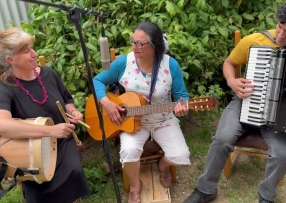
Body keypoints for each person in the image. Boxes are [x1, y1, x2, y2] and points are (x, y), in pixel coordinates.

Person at [183, 1, 286, 203]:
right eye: (279, 26)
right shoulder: (256, 40)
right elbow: (229, 62)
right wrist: (232, 81)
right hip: (246, 101)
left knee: (283, 156)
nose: (280, 35)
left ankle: (266, 196)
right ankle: (206, 189)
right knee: (221, 140)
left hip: (281, 117)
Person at [93, 21, 191, 203]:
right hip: (131, 122)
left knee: (181, 155)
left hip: (163, 119)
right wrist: (106, 102)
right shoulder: (123, 62)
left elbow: (181, 96)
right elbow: (97, 81)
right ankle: (135, 186)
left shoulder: (171, 65)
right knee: (129, 151)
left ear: (154, 46)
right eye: (133, 41)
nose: (134, 46)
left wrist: (182, 109)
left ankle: (163, 166)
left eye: (140, 43)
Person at [0, 27, 91, 203]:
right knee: (38, 190)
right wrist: (50, 132)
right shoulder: (5, 87)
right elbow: (3, 126)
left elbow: (66, 99)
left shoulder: (48, 73)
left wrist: (72, 111)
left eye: (32, 48)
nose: (34, 54)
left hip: (63, 140)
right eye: (27, 51)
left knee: (73, 171)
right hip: (32, 149)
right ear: (11, 60)